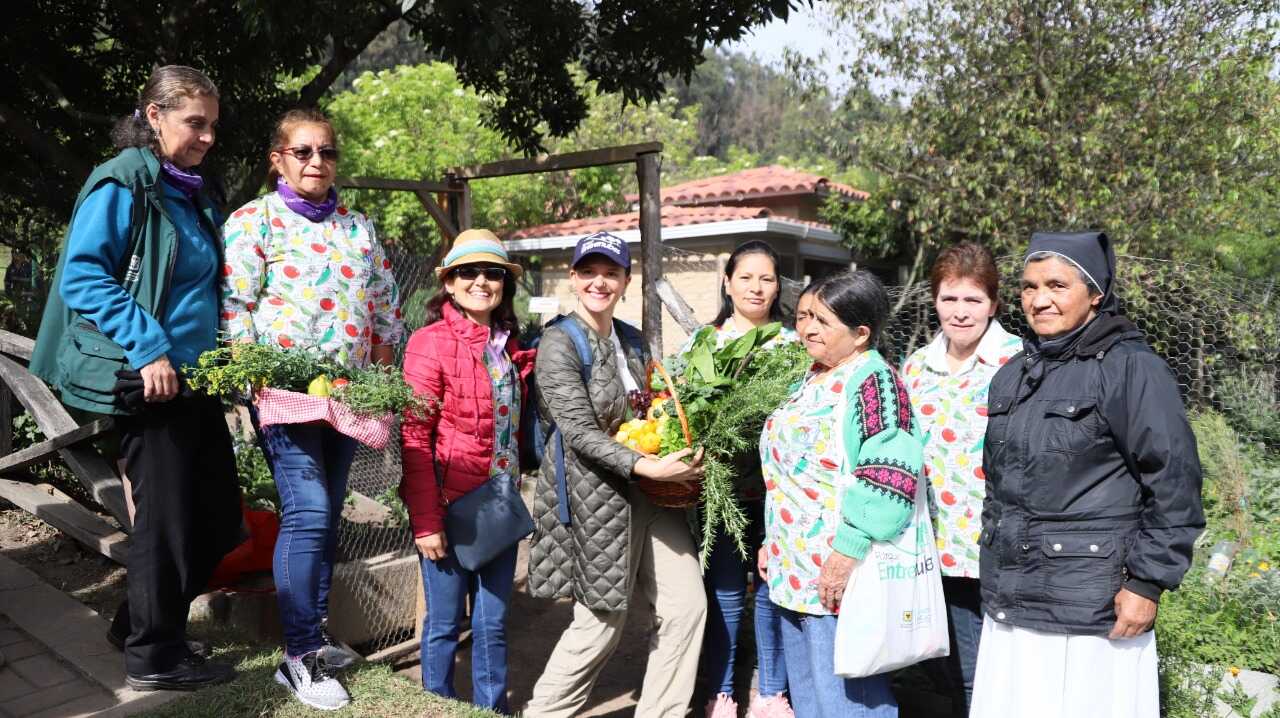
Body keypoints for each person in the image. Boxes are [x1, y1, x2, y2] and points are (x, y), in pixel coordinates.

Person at [31, 65, 242, 690]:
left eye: (213, 126)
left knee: (218, 521)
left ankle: (137, 626)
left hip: (197, 378)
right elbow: (83, 276)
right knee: (167, 522)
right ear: (154, 116)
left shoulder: (189, 190)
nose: (207, 137)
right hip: (151, 378)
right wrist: (149, 349)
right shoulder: (124, 181)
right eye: (194, 123)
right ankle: (154, 657)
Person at [970, 232, 1205, 718]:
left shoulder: (1131, 368)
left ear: (1095, 293)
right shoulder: (1013, 374)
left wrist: (1146, 583)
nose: (1039, 299)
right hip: (1012, 598)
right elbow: (1000, 488)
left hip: (1092, 605)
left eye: (1057, 285)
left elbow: (1174, 481)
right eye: (1029, 287)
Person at [220, 108, 404, 710]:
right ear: (278, 159)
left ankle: (315, 638)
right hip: (284, 394)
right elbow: (236, 306)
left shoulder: (359, 228)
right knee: (310, 512)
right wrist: (251, 379)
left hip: (348, 395)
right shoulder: (253, 222)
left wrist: (378, 377)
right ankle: (299, 655)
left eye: (326, 151)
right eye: (302, 152)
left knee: (324, 517)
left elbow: (384, 307)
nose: (316, 162)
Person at [524, 231, 707, 718]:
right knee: (600, 624)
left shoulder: (632, 339)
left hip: (654, 494)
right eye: (589, 272)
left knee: (687, 607)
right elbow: (579, 432)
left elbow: (653, 408)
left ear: (626, 281)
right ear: (573, 278)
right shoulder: (559, 343)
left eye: (611, 273)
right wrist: (651, 465)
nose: (599, 282)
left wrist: (674, 448)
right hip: (597, 496)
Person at [757, 270, 924, 718]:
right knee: (810, 695)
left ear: (860, 333)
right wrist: (773, 540)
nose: (807, 329)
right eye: (805, 316)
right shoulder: (813, 375)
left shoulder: (874, 382)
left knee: (849, 701)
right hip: (795, 566)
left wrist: (847, 550)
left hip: (841, 568)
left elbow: (890, 473)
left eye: (823, 321)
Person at [399, 230, 536, 713]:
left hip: (499, 505)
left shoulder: (510, 345)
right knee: (442, 624)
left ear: (504, 284)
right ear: (449, 283)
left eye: (492, 273)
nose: (481, 281)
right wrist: (426, 522)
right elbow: (414, 436)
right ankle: (438, 705)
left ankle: (491, 709)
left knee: (492, 624)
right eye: (468, 272)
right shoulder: (429, 343)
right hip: (449, 508)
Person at [899, 243, 1020, 716]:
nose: (960, 311)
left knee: (981, 669)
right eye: (949, 298)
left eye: (973, 299)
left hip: (990, 543)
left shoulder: (1018, 362)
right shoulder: (916, 366)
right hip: (930, 542)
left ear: (993, 303)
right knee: (940, 662)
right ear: (935, 301)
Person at [694, 241, 797, 718]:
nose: (757, 288)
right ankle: (722, 691)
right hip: (724, 493)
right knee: (727, 593)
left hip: (785, 496)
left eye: (767, 279)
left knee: (775, 590)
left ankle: (772, 692)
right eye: (746, 277)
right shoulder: (706, 343)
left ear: (778, 287)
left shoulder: (795, 344)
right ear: (727, 283)